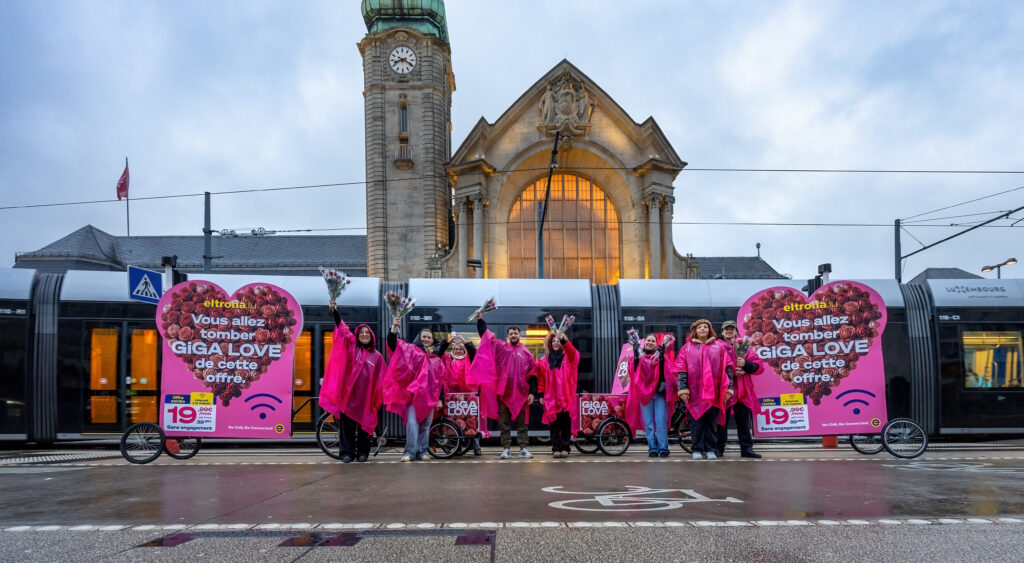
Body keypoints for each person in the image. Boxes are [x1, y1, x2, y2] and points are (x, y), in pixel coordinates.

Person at [319, 300, 385, 463]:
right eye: (361, 332)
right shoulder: (351, 346)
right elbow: (343, 329)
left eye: (367, 333)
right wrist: (335, 311)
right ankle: (346, 453)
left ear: (371, 336)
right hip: (348, 398)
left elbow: (381, 378)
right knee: (346, 427)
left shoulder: (376, 356)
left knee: (365, 428)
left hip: (366, 399)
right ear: (357, 335)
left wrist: (377, 398)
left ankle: (363, 453)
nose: (364, 335)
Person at [473, 315, 538, 459]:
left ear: (519, 335)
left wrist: (532, 392)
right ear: (508, 336)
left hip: (522, 393)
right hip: (503, 392)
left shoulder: (527, 353)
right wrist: (480, 320)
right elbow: (486, 337)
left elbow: (533, 374)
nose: (513, 335)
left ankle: (523, 448)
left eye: (516, 333)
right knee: (504, 422)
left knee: (523, 423)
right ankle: (506, 448)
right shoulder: (501, 347)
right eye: (511, 333)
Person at [385, 319, 447, 462]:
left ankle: (422, 452)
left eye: (429, 337)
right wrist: (394, 327)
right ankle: (409, 452)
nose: (426, 339)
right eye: (424, 336)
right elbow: (393, 345)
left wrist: (440, 399)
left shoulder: (436, 358)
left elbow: (440, 380)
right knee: (412, 423)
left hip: (430, 398)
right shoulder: (410, 351)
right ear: (419, 337)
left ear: (432, 340)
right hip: (414, 397)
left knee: (425, 426)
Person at [674, 319, 734, 460]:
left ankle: (710, 449)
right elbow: (682, 370)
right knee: (696, 423)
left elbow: (727, 370)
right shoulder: (687, 348)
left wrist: (729, 389)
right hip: (695, 393)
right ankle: (696, 449)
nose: (702, 329)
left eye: (705, 327)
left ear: (709, 330)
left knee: (711, 423)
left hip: (714, 392)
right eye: (700, 327)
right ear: (695, 330)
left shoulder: (719, 347)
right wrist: (683, 389)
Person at [716, 320, 763, 459]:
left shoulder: (744, 345)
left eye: (732, 329)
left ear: (736, 331)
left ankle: (746, 449)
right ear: (722, 332)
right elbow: (711, 365)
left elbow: (758, 365)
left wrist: (746, 366)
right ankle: (719, 448)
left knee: (743, 422)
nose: (729, 331)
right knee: (721, 421)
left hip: (742, 390)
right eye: (726, 329)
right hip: (724, 390)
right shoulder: (717, 346)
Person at [626, 334, 676, 458]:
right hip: (644, 395)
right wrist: (636, 356)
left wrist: (662, 358)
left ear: (656, 343)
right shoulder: (638, 356)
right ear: (644, 342)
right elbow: (633, 373)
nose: (650, 342)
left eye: (653, 341)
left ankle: (663, 448)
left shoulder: (662, 356)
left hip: (659, 394)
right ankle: (652, 447)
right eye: (648, 340)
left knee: (660, 423)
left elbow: (669, 374)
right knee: (648, 423)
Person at [536, 330, 579, 458]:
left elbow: (574, 353)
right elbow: (541, 380)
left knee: (566, 422)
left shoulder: (568, 358)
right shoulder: (544, 361)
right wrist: (541, 395)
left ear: (561, 344)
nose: (556, 343)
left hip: (566, 396)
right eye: (553, 341)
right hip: (551, 397)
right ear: (550, 344)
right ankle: (555, 448)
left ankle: (565, 447)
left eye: (558, 341)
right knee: (553, 424)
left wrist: (565, 340)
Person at [442, 335, 484, 455]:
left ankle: (476, 447)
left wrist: (465, 342)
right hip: (453, 397)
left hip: (469, 397)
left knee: (472, 422)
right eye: (456, 349)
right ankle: (458, 446)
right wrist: (449, 341)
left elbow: (473, 352)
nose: (458, 351)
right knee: (455, 422)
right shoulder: (448, 359)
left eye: (461, 349)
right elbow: (439, 352)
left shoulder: (470, 359)